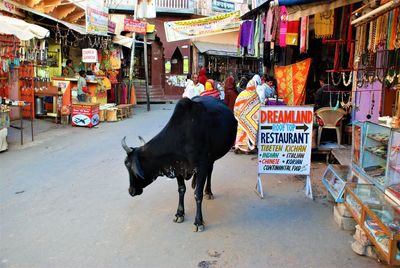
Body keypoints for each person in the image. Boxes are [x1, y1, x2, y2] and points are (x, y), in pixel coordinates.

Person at [233, 79, 261, 154]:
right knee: (248, 132)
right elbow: (258, 106)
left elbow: (237, 104)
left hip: (241, 117)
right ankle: (247, 148)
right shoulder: (255, 95)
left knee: (240, 132)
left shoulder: (242, 93)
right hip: (250, 119)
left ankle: (238, 146)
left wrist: (238, 114)